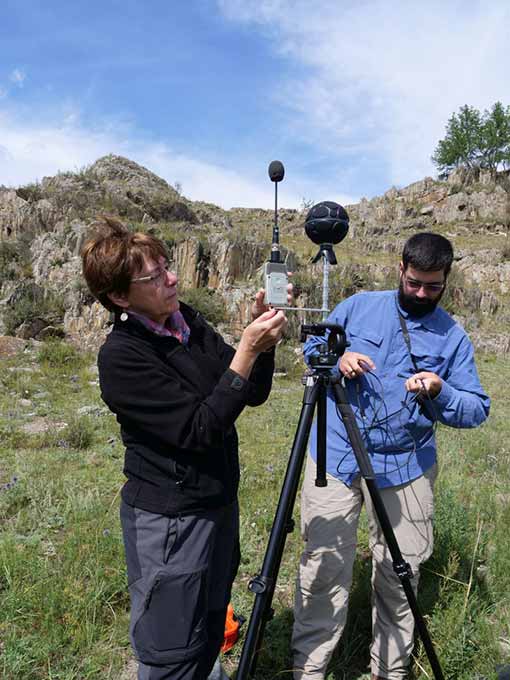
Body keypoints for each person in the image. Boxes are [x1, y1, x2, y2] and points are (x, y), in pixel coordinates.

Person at [81, 216, 290, 680]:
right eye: (153, 276)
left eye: (167, 266)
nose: (171, 278)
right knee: (171, 649)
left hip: (216, 505)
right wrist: (247, 351)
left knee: (210, 624)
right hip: (170, 523)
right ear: (119, 296)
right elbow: (200, 429)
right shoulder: (122, 356)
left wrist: (262, 340)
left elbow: (247, 393)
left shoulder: (187, 321)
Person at [292, 232, 490, 680]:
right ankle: (308, 668)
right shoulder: (359, 306)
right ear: (400, 269)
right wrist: (338, 358)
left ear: (447, 280)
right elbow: (314, 346)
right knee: (324, 565)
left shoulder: (454, 338)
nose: (421, 293)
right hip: (338, 457)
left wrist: (441, 392)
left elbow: (477, 408)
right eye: (414, 282)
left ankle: (389, 670)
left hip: (407, 466)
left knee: (401, 574)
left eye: (432, 286)